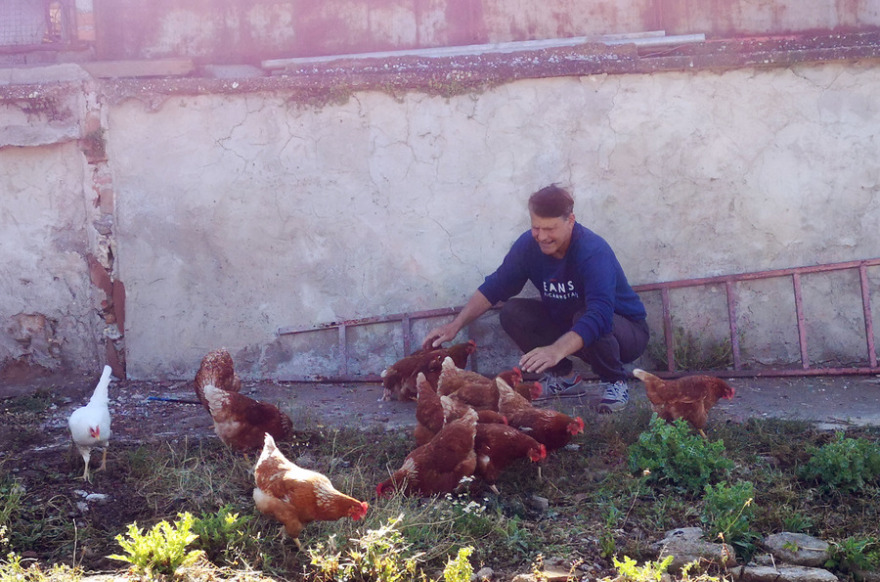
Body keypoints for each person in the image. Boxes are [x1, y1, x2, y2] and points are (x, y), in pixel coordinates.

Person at [422, 184, 649, 412]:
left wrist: (555, 350)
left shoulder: (592, 251)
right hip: (571, 326)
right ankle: (566, 380)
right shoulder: (528, 247)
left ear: (570, 220)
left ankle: (615, 382)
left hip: (624, 333)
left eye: (550, 229)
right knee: (512, 312)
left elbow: (600, 314)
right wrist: (455, 325)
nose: (542, 236)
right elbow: (495, 287)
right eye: (536, 227)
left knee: (589, 316)